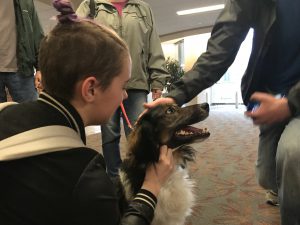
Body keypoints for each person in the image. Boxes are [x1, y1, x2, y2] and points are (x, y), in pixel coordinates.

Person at [0, 1, 174, 225]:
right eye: (122, 85)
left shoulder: (5, 113)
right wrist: (151, 187)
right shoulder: (87, 179)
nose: (125, 95)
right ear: (90, 89)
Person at [144, 0, 300, 224]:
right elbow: (218, 52)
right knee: (269, 177)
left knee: (293, 156)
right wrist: (175, 96)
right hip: (269, 97)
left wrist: (290, 104)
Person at [76, 0, 170, 177]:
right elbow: (75, 35)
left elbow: (153, 45)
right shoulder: (91, 5)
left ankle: (140, 177)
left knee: (139, 134)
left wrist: (158, 79)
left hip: (136, 84)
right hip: (105, 85)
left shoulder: (142, 8)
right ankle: (114, 179)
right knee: (109, 136)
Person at [0, 0, 44, 103]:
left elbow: (37, 34)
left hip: (21, 71)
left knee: (33, 115)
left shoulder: (25, 2)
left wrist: (40, 67)